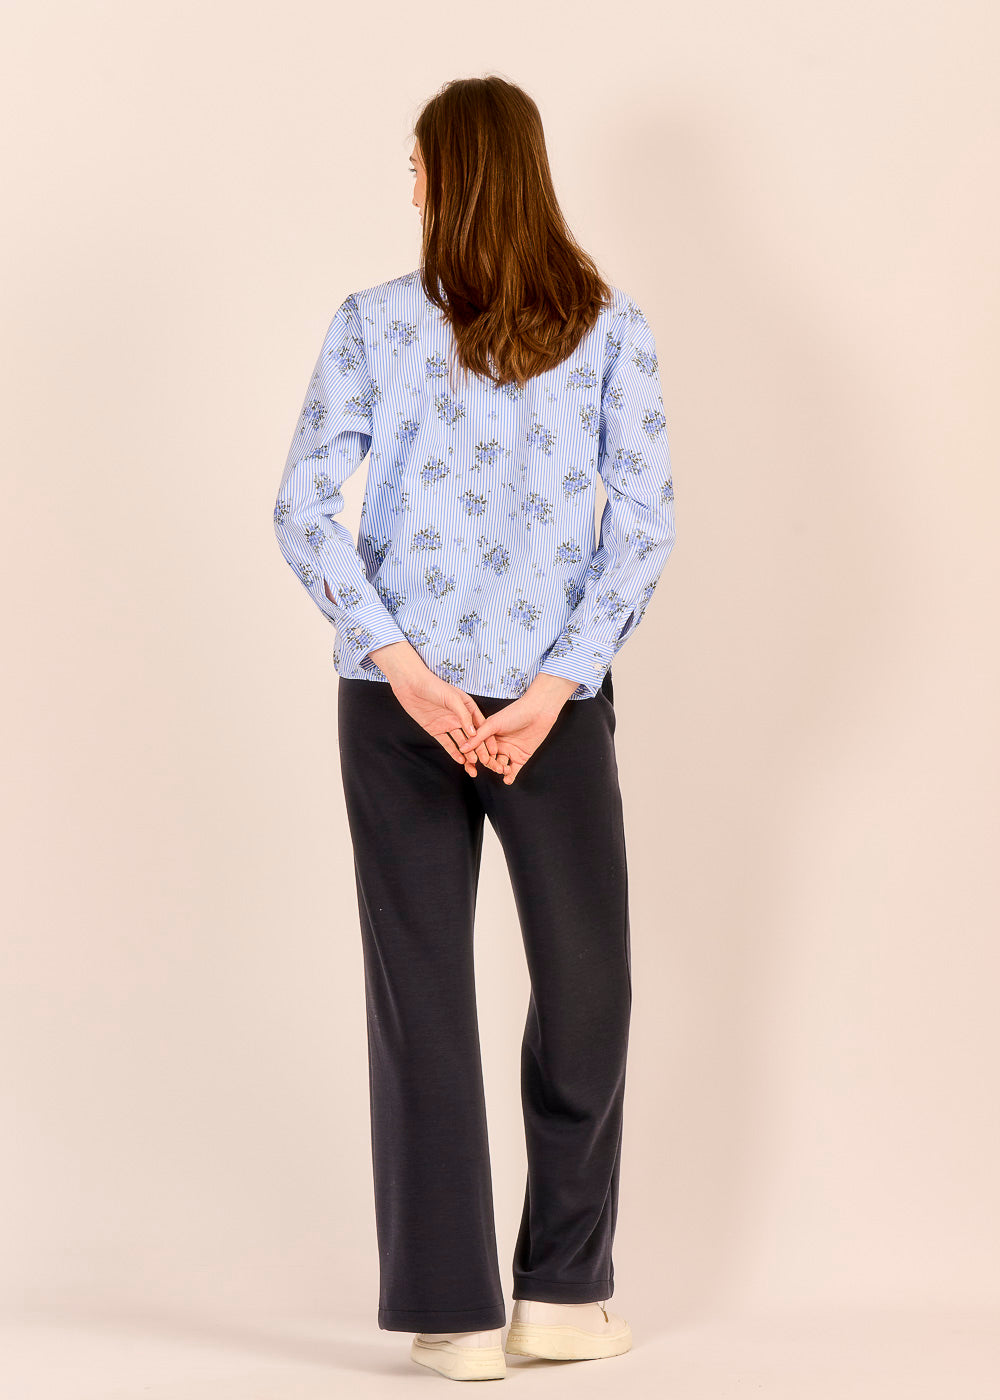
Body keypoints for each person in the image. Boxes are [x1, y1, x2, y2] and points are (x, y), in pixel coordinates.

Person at [273, 74, 676, 1383]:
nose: (410, 188)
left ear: (463, 175)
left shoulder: (611, 329)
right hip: (405, 711)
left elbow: (645, 524)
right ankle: (453, 1309)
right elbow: (301, 504)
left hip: (546, 711)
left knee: (586, 990)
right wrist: (405, 669)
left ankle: (558, 1291)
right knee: (426, 1000)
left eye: (419, 165)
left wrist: (551, 687)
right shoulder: (374, 324)